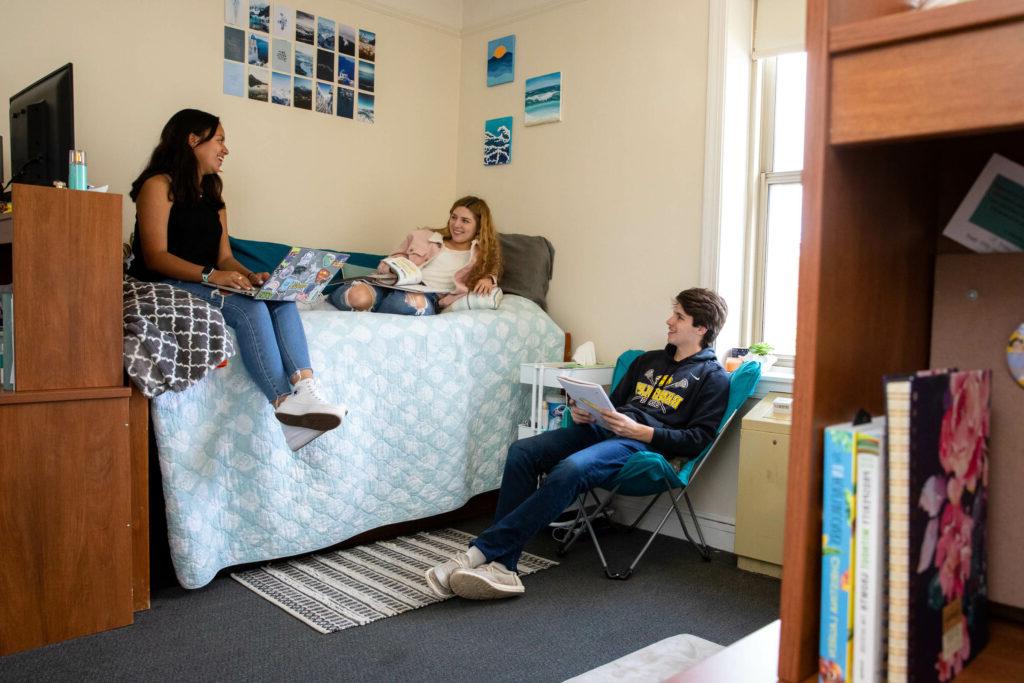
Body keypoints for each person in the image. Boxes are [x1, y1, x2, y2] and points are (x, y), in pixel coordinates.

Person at [424, 288, 731, 600]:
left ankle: (476, 556)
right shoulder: (647, 362)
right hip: (605, 430)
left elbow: (698, 439)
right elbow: (616, 405)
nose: (669, 320)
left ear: (701, 328)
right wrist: (589, 411)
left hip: (640, 447)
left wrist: (641, 432)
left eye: (679, 316)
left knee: (571, 468)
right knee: (523, 451)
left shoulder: (712, 377)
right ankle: (504, 566)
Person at [127, 108, 346, 452]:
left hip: (205, 279)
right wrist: (212, 276)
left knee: (279, 297)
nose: (226, 149)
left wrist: (249, 276)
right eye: (220, 140)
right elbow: (156, 256)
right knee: (249, 310)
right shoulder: (158, 186)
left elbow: (225, 256)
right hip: (164, 284)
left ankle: (305, 391)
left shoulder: (213, 192)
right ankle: (283, 406)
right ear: (192, 140)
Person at [327, 196, 502, 315]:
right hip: (391, 284)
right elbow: (388, 261)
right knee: (359, 297)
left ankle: (371, 310)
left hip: (428, 296)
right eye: (453, 217)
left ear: (479, 226)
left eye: (465, 221)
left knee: (405, 304)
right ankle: (366, 303)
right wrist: (393, 267)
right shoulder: (423, 236)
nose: (456, 224)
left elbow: (492, 270)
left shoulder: (481, 255)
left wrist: (489, 279)